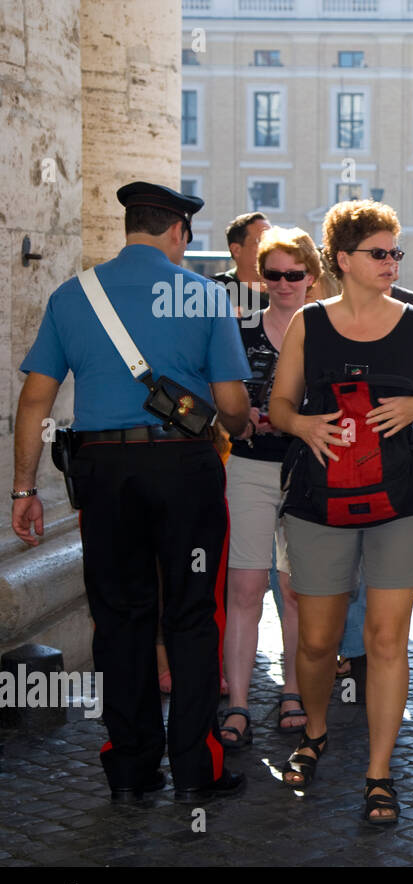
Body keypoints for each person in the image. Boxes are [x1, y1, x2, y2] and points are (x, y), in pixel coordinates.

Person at [12, 181, 252, 803]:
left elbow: (35, 398)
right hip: (184, 470)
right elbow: (229, 403)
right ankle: (198, 769)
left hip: (104, 472)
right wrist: (239, 419)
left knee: (119, 618)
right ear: (179, 232)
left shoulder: (72, 295)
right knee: (194, 615)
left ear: (129, 228)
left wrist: (22, 489)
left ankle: (130, 768)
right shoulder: (203, 296)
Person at [269, 199, 413, 825]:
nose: (391, 263)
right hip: (317, 501)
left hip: (400, 500)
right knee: (320, 640)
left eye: (396, 252)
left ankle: (379, 771)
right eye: (380, 253)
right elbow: (277, 406)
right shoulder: (308, 323)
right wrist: (303, 425)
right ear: (343, 260)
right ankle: (316, 732)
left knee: (386, 639)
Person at [219, 226, 323, 749]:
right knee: (244, 590)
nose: (284, 284)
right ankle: (238, 702)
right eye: (274, 274)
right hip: (251, 465)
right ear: (261, 276)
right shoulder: (239, 331)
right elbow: (222, 399)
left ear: (312, 276)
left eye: (294, 274)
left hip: (308, 471)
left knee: (295, 591)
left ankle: (291, 691)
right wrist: (242, 420)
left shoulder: (327, 332)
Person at [213, 212, 270, 315]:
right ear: (236, 250)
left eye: (274, 241)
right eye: (262, 241)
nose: (272, 247)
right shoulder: (214, 292)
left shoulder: (291, 287)